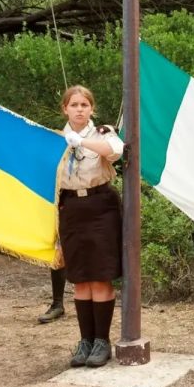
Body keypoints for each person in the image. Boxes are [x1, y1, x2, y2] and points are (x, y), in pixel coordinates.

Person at [57, 86, 123, 368]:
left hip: (100, 207)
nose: (80, 109)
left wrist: (82, 142)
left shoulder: (103, 133)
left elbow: (115, 152)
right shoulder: (53, 139)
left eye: (85, 104)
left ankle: (102, 341)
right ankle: (85, 340)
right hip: (70, 208)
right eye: (74, 105)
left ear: (92, 109)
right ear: (65, 109)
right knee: (80, 279)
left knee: (100, 276)